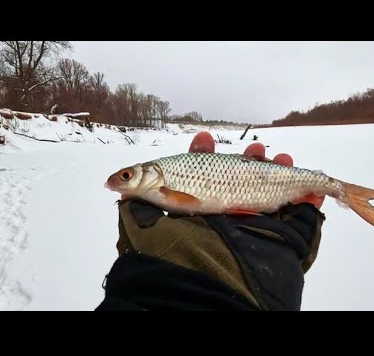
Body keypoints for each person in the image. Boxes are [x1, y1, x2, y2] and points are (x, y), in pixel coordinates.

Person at [96, 132, 326, 311]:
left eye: (127, 176)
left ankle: (337, 188)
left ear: (153, 174)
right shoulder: (158, 184)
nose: (121, 180)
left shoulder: (162, 183)